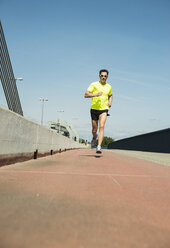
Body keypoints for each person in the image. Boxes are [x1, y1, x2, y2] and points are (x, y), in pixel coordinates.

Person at [84, 69, 113, 153]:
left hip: (104, 109)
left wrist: (110, 102)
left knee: (101, 126)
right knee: (94, 128)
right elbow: (85, 95)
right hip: (94, 109)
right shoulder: (94, 84)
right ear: (99, 76)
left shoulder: (109, 87)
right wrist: (95, 94)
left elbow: (111, 95)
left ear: (107, 77)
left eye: (105, 76)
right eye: (102, 75)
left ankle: (99, 146)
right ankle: (94, 137)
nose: (103, 77)